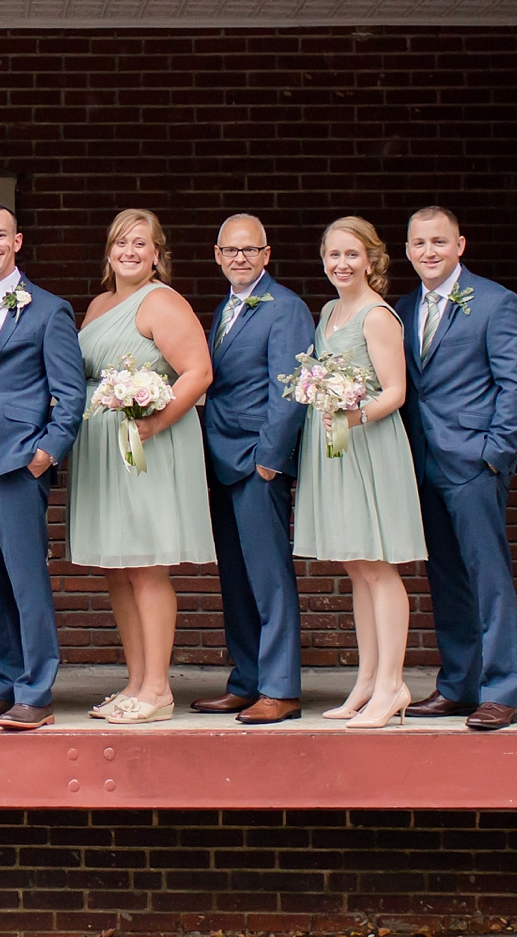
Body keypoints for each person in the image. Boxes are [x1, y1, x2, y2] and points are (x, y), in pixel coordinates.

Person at [69, 209, 215, 726]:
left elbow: (198, 371)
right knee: (119, 568)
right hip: (105, 449)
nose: (129, 251)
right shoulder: (100, 303)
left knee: (147, 566)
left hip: (145, 445)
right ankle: (135, 681)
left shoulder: (162, 301)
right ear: (109, 251)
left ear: (158, 254)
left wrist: (155, 422)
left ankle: (158, 689)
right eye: (120, 243)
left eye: (141, 243)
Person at [395, 206, 517, 733]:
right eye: (418, 243)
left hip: (475, 461)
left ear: (460, 245)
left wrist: (494, 454)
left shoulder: (496, 302)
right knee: (446, 578)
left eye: (438, 241)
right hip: (423, 463)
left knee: (488, 578)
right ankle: (458, 685)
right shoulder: (405, 308)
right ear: (408, 250)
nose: (428, 251)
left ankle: (500, 691)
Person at [0, 204, 86, 732]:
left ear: (17, 241)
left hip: (19, 460)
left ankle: (36, 690)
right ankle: (2, 685)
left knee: (26, 581)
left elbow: (69, 393)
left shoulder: (49, 310)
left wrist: (46, 452)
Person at [292, 216, 425, 731]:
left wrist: (353, 414)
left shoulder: (377, 316)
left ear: (371, 260)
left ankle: (393, 684)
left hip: (369, 447)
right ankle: (367, 681)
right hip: (336, 449)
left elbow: (395, 391)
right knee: (354, 564)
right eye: (333, 255)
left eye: (351, 255)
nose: (341, 264)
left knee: (377, 564)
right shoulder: (328, 311)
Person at [193, 213, 315, 725]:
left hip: (256, 461)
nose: (239, 258)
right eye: (230, 250)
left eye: (249, 250)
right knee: (236, 579)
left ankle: (281, 687)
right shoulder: (226, 308)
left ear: (267, 255)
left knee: (268, 577)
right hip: (220, 459)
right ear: (218, 256)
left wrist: (270, 460)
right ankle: (246, 681)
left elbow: (291, 388)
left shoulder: (286, 308)